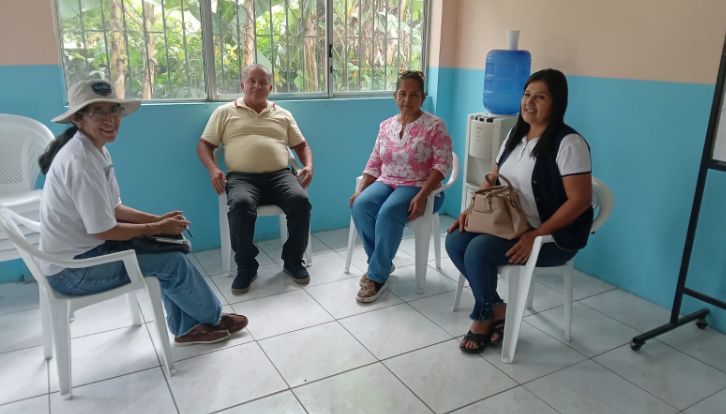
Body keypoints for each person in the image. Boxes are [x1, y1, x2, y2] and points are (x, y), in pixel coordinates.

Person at [38, 80, 247, 346]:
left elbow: (114, 208)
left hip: (86, 254)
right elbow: (104, 229)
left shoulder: (94, 148)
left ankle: (189, 327)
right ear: (77, 119)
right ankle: (211, 317)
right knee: (170, 263)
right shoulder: (81, 162)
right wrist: (157, 228)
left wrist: (158, 220)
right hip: (73, 271)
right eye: (97, 111)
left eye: (113, 110)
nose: (110, 119)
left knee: (170, 247)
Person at [445, 69, 593, 353]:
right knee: (455, 241)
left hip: (550, 239)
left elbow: (580, 200)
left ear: (557, 103)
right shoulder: (516, 134)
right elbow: (493, 177)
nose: (529, 102)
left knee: (478, 251)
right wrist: (472, 209)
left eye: (540, 97)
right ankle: (497, 308)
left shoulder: (568, 143)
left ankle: (481, 318)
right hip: (509, 225)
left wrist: (536, 235)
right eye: (527, 94)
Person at [197, 64, 314, 294]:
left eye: (263, 82)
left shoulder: (283, 114)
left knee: (301, 202)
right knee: (240, 205)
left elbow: (302, 146)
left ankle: (293, 261)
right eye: (252, 81)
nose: (257, 86)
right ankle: (246, 267)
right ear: (243, 85)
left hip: (280, 176)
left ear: (270, 87)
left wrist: (308, 166)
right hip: (242, 178)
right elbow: (204, 146)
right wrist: (213, 169)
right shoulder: (224, 112)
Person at [350, 70, 453, 303]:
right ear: (395, 96)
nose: (408, 99)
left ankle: (377, 277)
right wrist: (360, 190)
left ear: (423, 98)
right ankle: (382, 264)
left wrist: (423, 196)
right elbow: (374, 161)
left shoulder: (435, 126)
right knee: (361, 206)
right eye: (403, 94)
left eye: (414, 94)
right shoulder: (385, 125)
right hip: (387, 181)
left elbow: (442, 164)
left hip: (422, 186)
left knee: (388, 212)